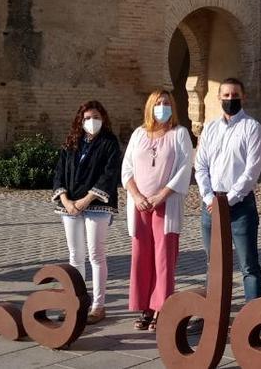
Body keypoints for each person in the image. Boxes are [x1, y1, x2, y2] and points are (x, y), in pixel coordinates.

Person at [121, 89, 194, 331]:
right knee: (141, 256)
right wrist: (137, 195)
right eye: (158, 103)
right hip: (140, 204)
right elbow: (127, 169)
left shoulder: (179, 134)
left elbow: (185, 167)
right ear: (150, 107)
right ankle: (145, 306)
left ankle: (162, 308)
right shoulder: (139, 134)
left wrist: (162, 195)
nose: (162, 107)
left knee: (164, 258)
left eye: (166, 103)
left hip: (166, 204)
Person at [194, 77, 261, 302]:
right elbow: (201, 165)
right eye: (226, 95)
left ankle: (252, 320)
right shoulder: (210, 128)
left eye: (235, 95)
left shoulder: (252, 128)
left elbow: (251, 171)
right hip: (211, 203)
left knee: (248, 265)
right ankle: (214, 315)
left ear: (243, 97)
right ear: (219, 98)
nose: (230, 99)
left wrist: (230, 199)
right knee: (214, 263)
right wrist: (208, 196)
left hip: (240, 205)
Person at [52, 100, 121, 324]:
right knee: (75, 256)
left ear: (103, 118)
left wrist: (87, 199)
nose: (92, 122)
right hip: (70, 205)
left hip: (97, 205)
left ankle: (98, 306)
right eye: (88, 118)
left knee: (96, 254)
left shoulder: (109, 143)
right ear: (80, 120)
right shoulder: (72, 143)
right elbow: (60, 172)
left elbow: (109, 174)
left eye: (96, 117)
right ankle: (76, 302)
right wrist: (65, 199)